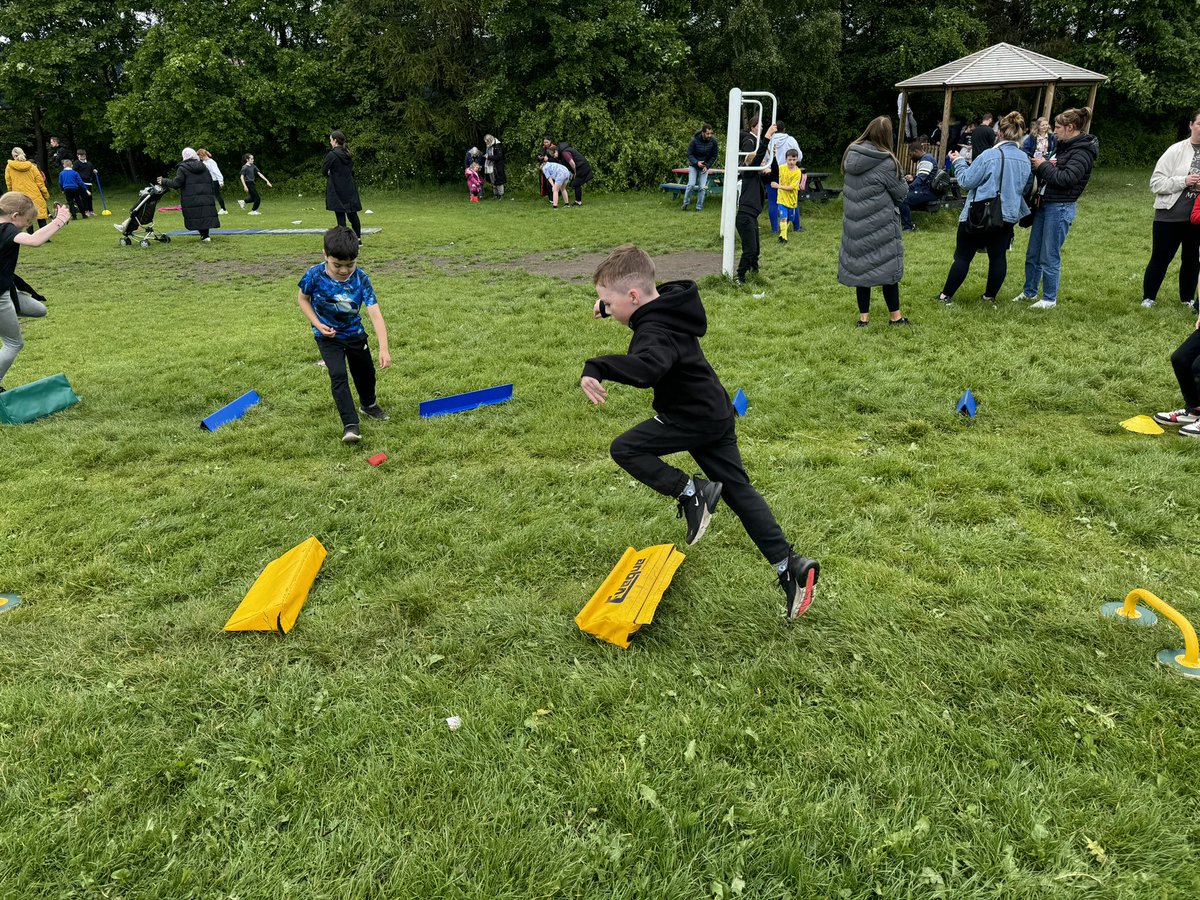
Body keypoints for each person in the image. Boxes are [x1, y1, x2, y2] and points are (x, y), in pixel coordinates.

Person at [580, 244, 821, 619]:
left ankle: (691, 492)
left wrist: (596, 366)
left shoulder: (653, 331)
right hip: (715, 411)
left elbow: (647, 369)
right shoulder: (671, 306)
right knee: (740, 492)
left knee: (626, 449)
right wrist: (609, 306)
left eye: (608, 303)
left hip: (689, 418)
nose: (606, 310)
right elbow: (644, 310)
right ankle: (789, 564)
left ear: (632, 296)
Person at [297, 226, 391, 444]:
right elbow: (303, 299)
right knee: (338, 375)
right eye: (337, 265)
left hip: (355, 334)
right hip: (328, 337)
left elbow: (375, 314)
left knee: (365, 374)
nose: (343, 270)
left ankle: (368, 405)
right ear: (325, 256)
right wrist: (318, 324)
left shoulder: (361, 279)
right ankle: (350, 425)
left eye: (350, 265)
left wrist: (384, 348)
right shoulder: (314, 275)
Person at [935, 114, 1032, 307]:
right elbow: (1026, 187)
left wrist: (958, 162)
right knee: (998, 257)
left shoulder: (989, 155)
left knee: (963, 256)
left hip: (980, 213)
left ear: (1000, 133)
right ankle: (989, 297)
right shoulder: (1025, 159)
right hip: (1007, 215)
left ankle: (946, 295)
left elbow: (966, 181)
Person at [1013, 108, 1098, 309]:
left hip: (1060, 207)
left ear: (1070, 128)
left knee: (1049, 254)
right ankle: (1029, 292)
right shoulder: (1063, 146)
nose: (1054, 130)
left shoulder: (1082, 151)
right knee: (1033, 252)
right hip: (1045, 204)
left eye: (1058, 127)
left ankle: (1049, 298)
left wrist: (1043, 166)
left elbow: (1067, 179)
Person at [838, 115, 910, 327]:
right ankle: (895, 317)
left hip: (854, 223)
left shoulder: (851, 155)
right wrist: (903, 177)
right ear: (888, 136)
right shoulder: (887, 162)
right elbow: (902, 193)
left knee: (861, 268)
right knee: (887, 269)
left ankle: (864, 318)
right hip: (880, 224)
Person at [0, 192, 70, 391]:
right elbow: (34, 240)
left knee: (39, 310)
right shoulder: (8, 230)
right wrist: (60, 221)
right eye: (28, 220)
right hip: (0, 295)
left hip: (8, 289)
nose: (28, 224)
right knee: (13, 343)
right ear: (14, 216)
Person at [1140, 109, 1200, 309]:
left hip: (1197, 219)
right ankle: (1149, 298)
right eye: (1199, 123)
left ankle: (1187, 299)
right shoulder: (1176, 150)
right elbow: (1156, 183)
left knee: (1192, 260)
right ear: (1191, 125)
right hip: (1169, 216)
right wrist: (1184, 180)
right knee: (1161, 257)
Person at [734, 117, 777, 285]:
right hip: (745, 217)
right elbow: (758, 157)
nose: (763, 163)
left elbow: (774, 176)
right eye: (761, 162)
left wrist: (773, 159)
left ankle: (755, 274)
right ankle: (740, 277)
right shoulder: (749, 174)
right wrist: (766, 137)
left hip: (751, 217)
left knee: (756, 249)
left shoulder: (758, 179)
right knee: (749, 250)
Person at [160, 147, 221, 242]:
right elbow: (210, 181)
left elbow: (176, 184)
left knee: (197, 215)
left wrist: (164, 181)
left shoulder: (182, 168)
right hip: (205, 195)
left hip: (191, 197)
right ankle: (205, 235)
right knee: (204, 214)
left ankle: (204, 236)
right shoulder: (203, 166)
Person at [322, 131, 362, 237]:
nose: (330, 142)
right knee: (353, 214)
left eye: (330, 140)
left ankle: (344, 240)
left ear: (335, 141)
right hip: (349, 187)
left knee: (340, 214)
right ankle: (358, 239)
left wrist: (331, 173)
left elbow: (324, 170)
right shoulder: (348, 153)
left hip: (337, 188)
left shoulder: (332, 155)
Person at [766, 121, 801, 235]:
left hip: (773, 172)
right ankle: (796, 227)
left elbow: (766, 158)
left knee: (773, 202)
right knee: (792, 200)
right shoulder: (791, 140)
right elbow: (799, 155)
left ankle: (775, 229)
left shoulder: (769, 141)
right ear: (784, 129)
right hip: (789, 173)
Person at [4, 148, 50, 230]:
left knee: (25, 215)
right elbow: (40, 183)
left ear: (13, 156)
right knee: (41, 215)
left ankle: (30, 235)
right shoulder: (32, 166)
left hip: (19, 196)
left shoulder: (9, 167)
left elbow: (9, 183)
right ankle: (45, 236)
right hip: (34, 194)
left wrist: (11, 195)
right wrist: (45, 194)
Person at [899, 142, 938, 231]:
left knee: (902, 199)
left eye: (910, 154)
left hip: (928, 192)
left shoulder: (926, 159)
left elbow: (921, 179)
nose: (910, 157)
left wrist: (908, 188)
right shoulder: (926, 158)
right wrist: (913, 178)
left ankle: (908, 227)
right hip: (926, 190)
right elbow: (923, 176)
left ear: (916, 151)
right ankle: (904, 224)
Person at [682, 123, 718, 212]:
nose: (709, 135)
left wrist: (707, 166)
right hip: (694, 165)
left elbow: (714, 155)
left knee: (702, 187)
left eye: (711, 133)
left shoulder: (713, 141)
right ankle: (685, 203)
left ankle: (699, 207)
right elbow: (689, 154)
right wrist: (696, 162)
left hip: (705, 167)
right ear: (703, 133)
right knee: (691, 184)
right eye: (707, 133)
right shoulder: (694, 140)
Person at [770, 148, 803, 243]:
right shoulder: (781, 168)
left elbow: (792, 188)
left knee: (790, 218)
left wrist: (778, 186)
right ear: (786, 159)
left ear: (797, 160)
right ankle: (784, 238)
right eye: (789, 160)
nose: (792, 162)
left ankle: (782, 234)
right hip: (781, 199)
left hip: (792, 200)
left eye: (794, 159)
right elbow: (773, 170)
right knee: (783, 217)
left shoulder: (798, 172)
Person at [557, 142, 593, 206]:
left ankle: (578, 202)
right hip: (581, 166)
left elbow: (572, 163)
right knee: (576, 184)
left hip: (581, 167)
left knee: (576, 184)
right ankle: (578, 202)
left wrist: (575, 172)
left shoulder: (565, 153)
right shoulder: (568, 149)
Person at [197, 149, 227, 215]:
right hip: (208, 181)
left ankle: (224, 209)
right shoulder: (204, 162)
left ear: (202, 155)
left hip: (215, 181)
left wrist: (220, 181)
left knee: (217, 195)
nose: (200, 158)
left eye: (200, 157)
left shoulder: (211, 162)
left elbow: (216, 171)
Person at [73, 149, 98, 217]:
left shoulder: (89, 163)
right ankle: (86, 211)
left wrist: (94, 171)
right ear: (78, 156)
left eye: (84, 155)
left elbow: (92, 169)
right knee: (84, 197)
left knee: (89, 197)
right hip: (81, 183)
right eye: (81, 155)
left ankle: (91, 210)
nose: (83, 156)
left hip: (88, 183)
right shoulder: (76, 163)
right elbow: (74, 172)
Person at [483, 134, 506, 199]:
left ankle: (501, 195)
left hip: (498, 166)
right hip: (491, 166)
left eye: (487, 142)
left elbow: (499, 157)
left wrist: (489, 157)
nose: (486, 143)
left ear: (490, 141)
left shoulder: (497, 146)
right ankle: (495, 194)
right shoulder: (489, 146)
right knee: (493, 180)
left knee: (499, 180)